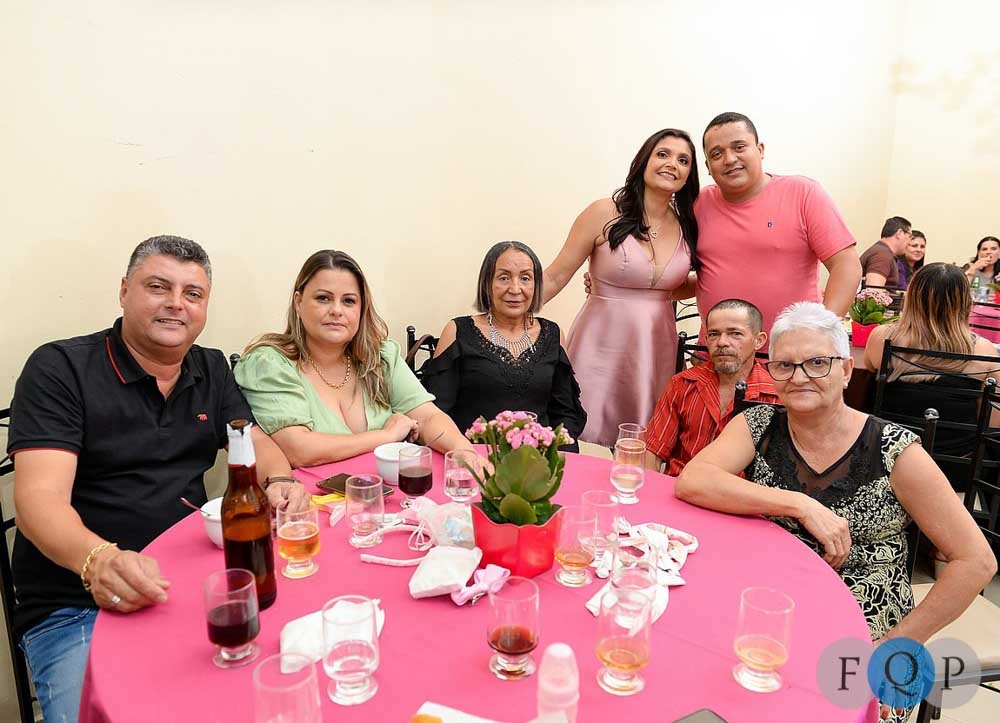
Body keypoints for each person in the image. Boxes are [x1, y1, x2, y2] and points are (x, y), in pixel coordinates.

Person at [7, 236, 309, 723]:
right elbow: (37, 499)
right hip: (78, 601)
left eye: (193, 293)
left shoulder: (210, 367)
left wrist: (278, 481)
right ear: (124, 291)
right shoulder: (61, 368)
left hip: (188, 580)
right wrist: (99, 560)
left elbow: (254, 441)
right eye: (158, 287)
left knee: (283, 680)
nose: (176, 303)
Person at [676, 302, 996, 721]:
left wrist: (897, 646)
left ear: (846, 370)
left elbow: (976, 561)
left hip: (862, 628)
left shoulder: (894, 450)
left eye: (817, 363)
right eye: (785, 365)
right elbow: (693, 480)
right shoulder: (759, 424)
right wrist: (799, 503)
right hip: (770, 609)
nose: (799, 377)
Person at [583, 113, 862, 341]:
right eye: (717, 153)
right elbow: (687, 278)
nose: (729, 159)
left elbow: (847, 265)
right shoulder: (698, 206)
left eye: (739, 147)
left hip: (788, 358)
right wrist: (620, 280)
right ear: (707, 165)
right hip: (716, 357)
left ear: (760, 150)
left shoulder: (803, 193)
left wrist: (820, 333)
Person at [234, 250, 470, 466]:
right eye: (323, 298)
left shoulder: (380, 356)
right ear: (298, 302)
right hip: (307, 497)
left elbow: (427, 417)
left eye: (349, 301)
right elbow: (300, 450)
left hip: (385, 493)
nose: (337, 310)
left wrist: (463, 451)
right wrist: (386, 436)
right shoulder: (269, 363)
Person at [541, 128, 700, 446]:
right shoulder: (603, 212)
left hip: (655, 346)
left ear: (689, 176)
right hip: (601, 341)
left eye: (683, 160)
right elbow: (556, 276)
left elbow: (675, 286)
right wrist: (505, 316)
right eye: (663, 154)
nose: (672, 164)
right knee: (580, 429)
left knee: (642, 438)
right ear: (644, 161)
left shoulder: (688, 225)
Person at [422, 242, 587, 449]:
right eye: (503, 278)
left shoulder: (553, 334)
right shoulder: (458, 331)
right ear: (487, 283)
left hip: (537, 460)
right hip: (472, 457)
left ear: (536, 285)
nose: (515, 289)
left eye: (525, 278)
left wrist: (559, 459)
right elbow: (436, 413)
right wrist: (462, 454)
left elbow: (564, 414)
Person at [863, 263, 1000, 487]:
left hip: (887, 464)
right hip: (953, 472)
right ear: (965, 303)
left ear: (911, 298)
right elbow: (993, 424)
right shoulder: (983, 351)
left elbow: (868, 374)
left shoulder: (882, 338)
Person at [645, 299, 779, 475]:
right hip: (676, 486)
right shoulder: (683, 384)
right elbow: (652, 452)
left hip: (737, 491)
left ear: (758, 341)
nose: (722, 342)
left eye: (735, 334)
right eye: (714, 334)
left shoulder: (776, 397)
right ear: (706, 340)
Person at [859, 216, 911, 288]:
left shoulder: (882, 252)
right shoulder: (882, 255)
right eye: (910, 236)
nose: (909, 242)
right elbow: (873, 291)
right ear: (899, 233)